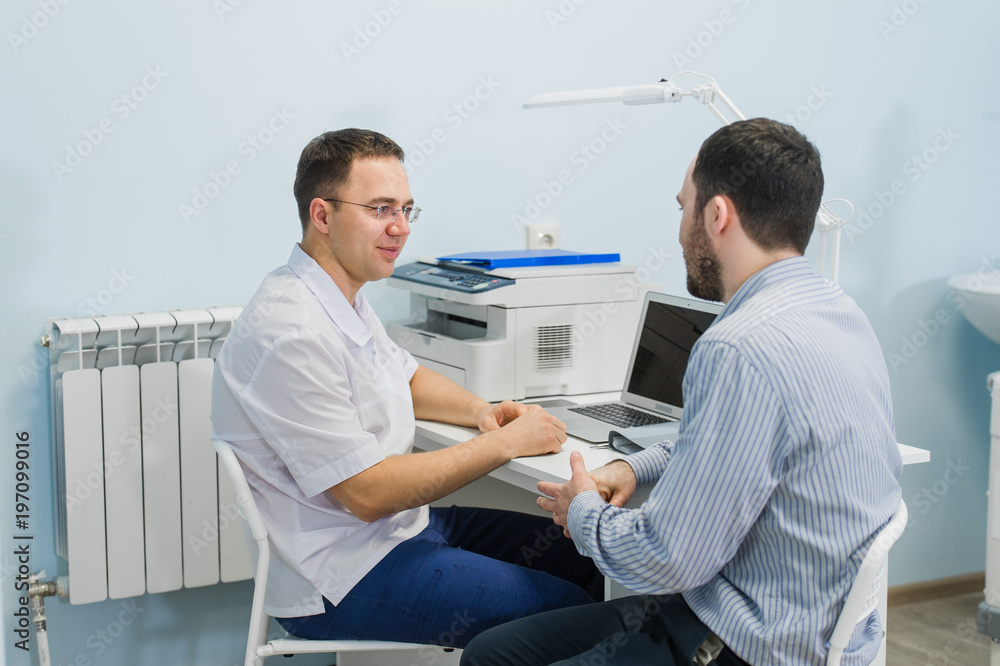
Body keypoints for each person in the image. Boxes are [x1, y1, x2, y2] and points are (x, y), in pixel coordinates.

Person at [460, 118, 902, 666]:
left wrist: (582, 512)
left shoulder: (736, 347)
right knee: (492, 652)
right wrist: (634, 467)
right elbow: (725, 444)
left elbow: (667, 559)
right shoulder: (841, 312)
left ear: (716, 215)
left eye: (682, 208)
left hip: (744, 644)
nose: (679, 231)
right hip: (805, 626)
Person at [210, 128, 601, 649]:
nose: (401, 228)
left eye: (406, 210)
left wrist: (481, 412)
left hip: (398, 532)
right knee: (573, 614)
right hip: (340, 574)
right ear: (322, 215)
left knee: (594, 558)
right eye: (380, 209)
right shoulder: (291, 331)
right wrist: (505, 444)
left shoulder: (339, 292)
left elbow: (405, 376)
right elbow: (367, 493)